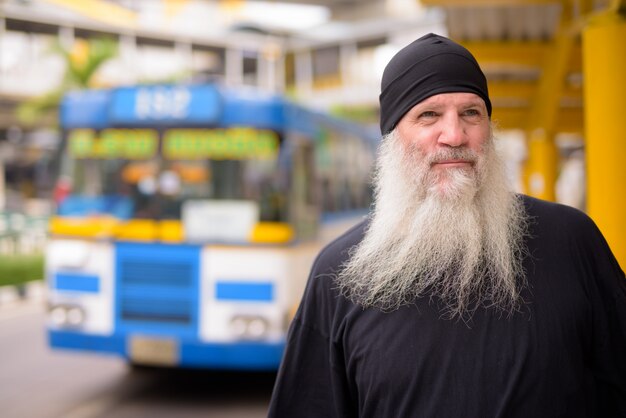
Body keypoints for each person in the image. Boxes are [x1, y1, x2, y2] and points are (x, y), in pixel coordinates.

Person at [267, 33, 626, 417]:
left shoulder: (571, 241)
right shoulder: (338, 274)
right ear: (392, 138)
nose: (455, 135)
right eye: (428, 116)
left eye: (471, 113)